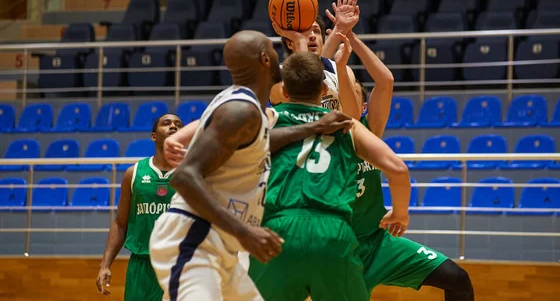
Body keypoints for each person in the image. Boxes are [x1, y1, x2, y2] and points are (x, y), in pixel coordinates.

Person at [322, 30, 475, 300]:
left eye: (353, 87)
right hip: (341, 251)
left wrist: (351, 38)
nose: (346, 90)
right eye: (342, 87)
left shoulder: (371, 132)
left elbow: (386, 80)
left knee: (458, 280)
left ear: (364, 104)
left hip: (378, 242)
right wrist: (339, 65)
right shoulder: (324, 139)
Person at [248, 51, 412, 301]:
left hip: (278, 230)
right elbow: (398, 169)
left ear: (285, 92)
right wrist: (400, 213)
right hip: (332, 232)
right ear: (325, 89)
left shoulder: (271, 119)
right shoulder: (346, 124)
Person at [148, 31, 286, 301]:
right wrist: (244, 232)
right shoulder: (239, 110)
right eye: (272, 48)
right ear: (264, 59)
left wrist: (313, 127)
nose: (276, 53)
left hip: (219, 247)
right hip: (194, 240)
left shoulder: (241, 105)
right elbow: (184, 177)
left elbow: (264, 141)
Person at [96, 113, 184, 301]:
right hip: (141, 267)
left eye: (178, 124)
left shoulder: (192, 173)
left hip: (180, 265)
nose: (173, 127)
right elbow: (120, 224)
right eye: (166, 123)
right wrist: (105, 264)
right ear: (154, 136)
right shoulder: (133, 173)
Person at [270, 0, 363, 119]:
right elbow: (305, 101)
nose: (312, 36)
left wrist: (341, 29)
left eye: (316, 31)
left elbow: (353, 116)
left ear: (323, 41)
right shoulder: (278, 76)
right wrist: (299, 40)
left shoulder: (341, 70)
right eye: (305, 32)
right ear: (290, 43)